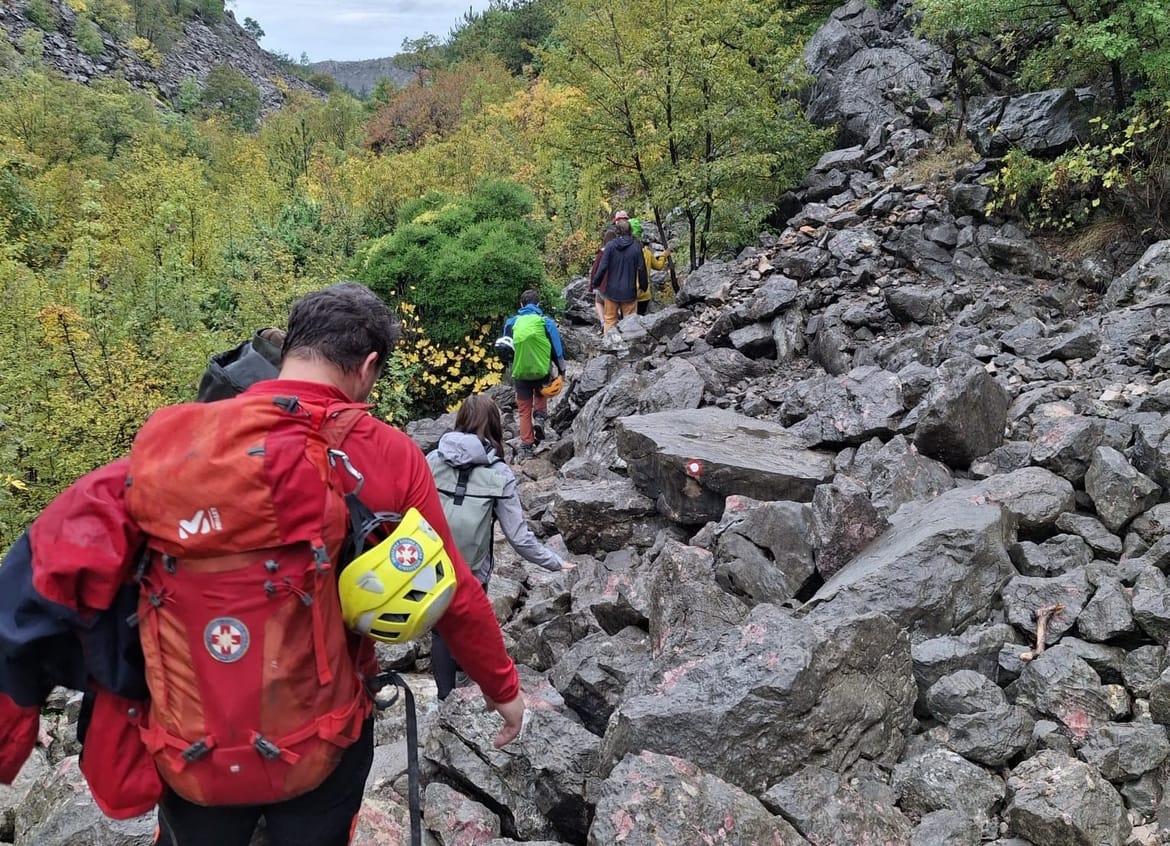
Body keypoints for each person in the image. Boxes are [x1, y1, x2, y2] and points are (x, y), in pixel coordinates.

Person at [0, 283, 525, 846]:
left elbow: (42, 571)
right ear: (369, 365)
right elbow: (453, 592)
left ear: (290, 346)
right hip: (322, 743)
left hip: (190, 746)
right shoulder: (390, 453)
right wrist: (503, 691)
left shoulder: (183, 446)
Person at [426, 394, 574, 699]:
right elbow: (518, 537)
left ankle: (444, 698)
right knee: (467, 624)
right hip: (471, 570)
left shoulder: (432, 460)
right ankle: (470, 689)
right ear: (494, 425)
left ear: (460, 420)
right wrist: (555, 562)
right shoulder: (499, 473)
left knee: (440, 631)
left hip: (430, 561)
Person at [501, 290, 567, 459]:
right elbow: (557, 350)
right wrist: (562, 371)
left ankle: (527, 446)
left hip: (520, 372)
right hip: (542, 371)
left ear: (521, 305)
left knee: (523, 411)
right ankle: (540, 418)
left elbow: (506, 348)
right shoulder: (546, 322)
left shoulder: (511, 323)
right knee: (541, 394)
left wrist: (508, 366)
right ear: (538, 305)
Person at [590, 218, 647, 332]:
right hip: (629, 291)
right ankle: (629, 342)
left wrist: (595, 283)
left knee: (610, 321)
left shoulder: (610, 246)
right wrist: (643, 286)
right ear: (630, 231)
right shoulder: (636, 247)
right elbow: (641, 269)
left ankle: (609, 342)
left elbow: (602, 267)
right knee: (630, 324)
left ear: (616, 231)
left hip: (611, 291)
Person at [628, 218, 670, 316]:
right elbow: (658, 266)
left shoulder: (624, 252)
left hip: (628, 294)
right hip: (644, 294)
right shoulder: (647, 252)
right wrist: (663, 255)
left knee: (626, 321)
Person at [587, 225, 618, 330]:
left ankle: (603, 322)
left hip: (603, 285)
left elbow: (594, 270)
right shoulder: (618, 252)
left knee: (598, 302)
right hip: (616, 286)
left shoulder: (601, 253)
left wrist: (592, 286)